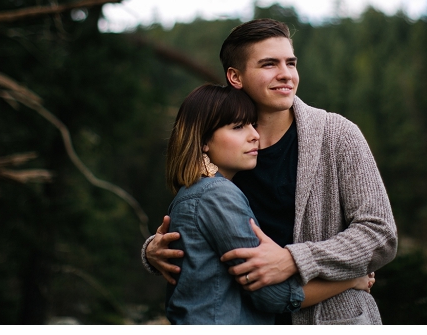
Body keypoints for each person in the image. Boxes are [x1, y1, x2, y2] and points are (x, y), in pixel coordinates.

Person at [143, 19, 397, 325]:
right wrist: (155, 251)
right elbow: (202, 219)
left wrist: (294, 259)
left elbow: (380, 234)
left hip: (334, 319)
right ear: (235, 76)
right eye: (268, 64)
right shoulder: (227, 149)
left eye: (290, 62)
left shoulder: (338, 135)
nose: (286, 74)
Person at [162, 84, 374, 324]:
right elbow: (271, 294)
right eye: (238, 127)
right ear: (203, 141)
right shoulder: (218, 195)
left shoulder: (192, 193)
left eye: (253, 124)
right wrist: (352, 280)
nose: (254, 135)